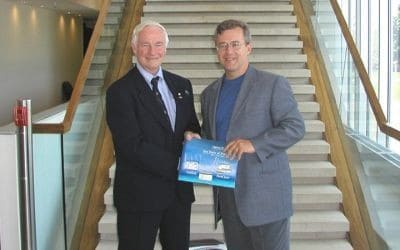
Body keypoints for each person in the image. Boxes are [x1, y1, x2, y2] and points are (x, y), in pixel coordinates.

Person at [201, 19, 306, 250]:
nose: (229, 51)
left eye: (235, 44)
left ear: (249, 47)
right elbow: (212, 136)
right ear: (216, 50)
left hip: (266, 199)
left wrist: (254, 144)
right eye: (222, 45)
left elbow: (295, 126)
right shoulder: (209, 94)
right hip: (229, 200)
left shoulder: (273, 84)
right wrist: (197, 141)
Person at [106, 20, 201, 250]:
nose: (152, 52)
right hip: (140, 196)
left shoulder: (182, 85)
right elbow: (131, 146)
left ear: (166, 48)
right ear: (134, 47)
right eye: (145, 45)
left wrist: (193, 135)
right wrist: (180, 163)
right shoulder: (120, 91)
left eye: (158, 44)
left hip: (178, 195)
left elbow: (192, 125)